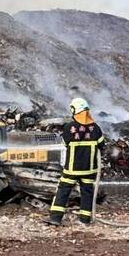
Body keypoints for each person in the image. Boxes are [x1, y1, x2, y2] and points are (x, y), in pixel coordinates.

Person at [47, 97, 106, 226]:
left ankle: (55, 218)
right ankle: (85, 220)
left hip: (72, 168)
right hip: (89, 169)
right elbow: (102, 145)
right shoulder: (95, 128)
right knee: (87, 193)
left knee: (63, 190)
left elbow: (64, 143)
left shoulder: (69, 127)